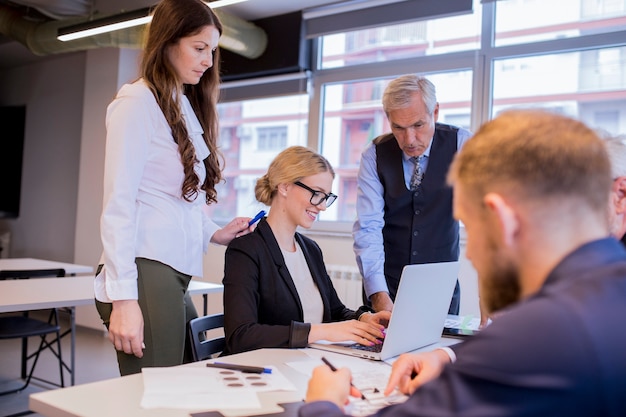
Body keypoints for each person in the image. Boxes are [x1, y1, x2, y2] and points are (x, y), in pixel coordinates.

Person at [300, 110, 626, 416]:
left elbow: (516, 350)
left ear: (502, 220)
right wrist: (450, 356)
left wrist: (322, 401)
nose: (470, 255)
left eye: (468, 222)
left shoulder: (538, 333)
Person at [95, 0, 252, 376]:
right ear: (167, 42)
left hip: (174, 272)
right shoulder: (135, 103)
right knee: (155, 398)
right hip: (146, 268)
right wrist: (124, 300)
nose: (209, 61)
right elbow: (119, 204)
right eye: (199, 48)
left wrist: (215, 232)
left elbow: (180, 202)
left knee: (185, 384)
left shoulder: (180, 105)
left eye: (212, 51)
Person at [222, 146, 391, 355]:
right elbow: (240, 336)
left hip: (304, 363)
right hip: (265, 370)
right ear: (284, 186)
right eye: (317, 194)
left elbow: (335, 311)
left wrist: (364, 318)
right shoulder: (246, 250)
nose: (322, 207)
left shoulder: (310, 250)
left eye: (327, 197)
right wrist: (320, 332)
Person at [353, 74, 472, 314]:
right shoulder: (374, 155)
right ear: (388, 120)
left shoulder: (462, 144)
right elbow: (368, 228)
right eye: (398, 127)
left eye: (418, 125)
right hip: (387, 287)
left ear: (435, 112)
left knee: (439, 351)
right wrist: (378, 294)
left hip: (441, 288)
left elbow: (486, 218)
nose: (409, 140)